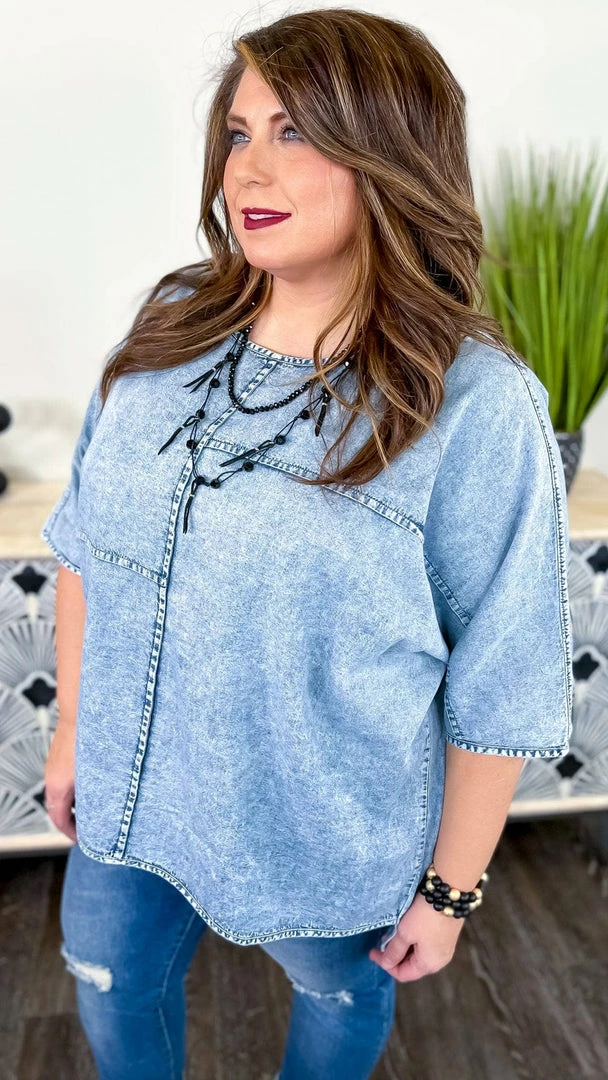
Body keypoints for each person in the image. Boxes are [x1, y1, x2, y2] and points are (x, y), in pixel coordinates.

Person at [41, 8, 573, 1079]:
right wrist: (70, 734)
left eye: (296, 132)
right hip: (128, 786)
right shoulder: (170, 323)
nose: (249, 168)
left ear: (390, 152)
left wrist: (449, 889)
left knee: (338, 997)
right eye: (239, 133)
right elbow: (88, 546)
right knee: (107, 980)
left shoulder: (472, 404)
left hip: (323, 828)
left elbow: (504, 674)